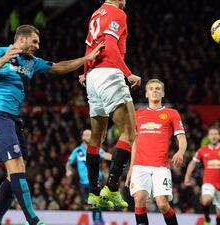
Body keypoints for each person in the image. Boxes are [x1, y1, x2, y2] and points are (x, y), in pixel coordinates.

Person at [0, 25, 103, 225]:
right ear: (22, 39)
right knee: (17, 166)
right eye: (34, 41)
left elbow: (58, 67)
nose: (38, 45)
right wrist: (3, 60)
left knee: (15, 173)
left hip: (14, 121)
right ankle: (33, 221)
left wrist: (86, 60)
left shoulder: (31, 62)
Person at [80, 0, 141, 209]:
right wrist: (128, 73)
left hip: (93, 78)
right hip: (109, 74)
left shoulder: (96, 14)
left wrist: (86, 72)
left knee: (96, 138)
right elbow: (111, 45)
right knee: (129, 132)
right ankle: (112, 188)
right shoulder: (117, 13)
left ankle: (93, 193)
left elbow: (90, 46)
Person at [125, 79, 187, 225]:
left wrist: (180, 152)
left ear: (163, 93)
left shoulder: (171, 113)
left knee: (162, 204)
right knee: (139, 199)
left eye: (158, 88)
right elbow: (135, 142)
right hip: (140, 166)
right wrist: (131, 168)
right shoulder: (137, 114)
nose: (154, 90)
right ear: (146, 94)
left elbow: (182, 138)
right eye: (151, 88)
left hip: (160, 166)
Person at [184, 127, 220, 225]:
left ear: (219, 136)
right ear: (208, 137)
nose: (214, 136)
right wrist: (187, 177)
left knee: (219, 211)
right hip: (208, 182)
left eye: (216, 134)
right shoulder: (202, 150)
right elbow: (192, 163)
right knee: (206, 200)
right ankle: (207, 218)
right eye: (211, 134)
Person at [65, 129, 112, 225]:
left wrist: (117, 157)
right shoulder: (77, 151)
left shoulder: (96, 149)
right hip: (84, 183)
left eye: (91, 135)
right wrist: (68, 170)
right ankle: (101, 221)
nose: (89, 136)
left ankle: (97, 222)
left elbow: (105, 155)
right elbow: (69, 163)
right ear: (82, 137)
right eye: (87, 134)